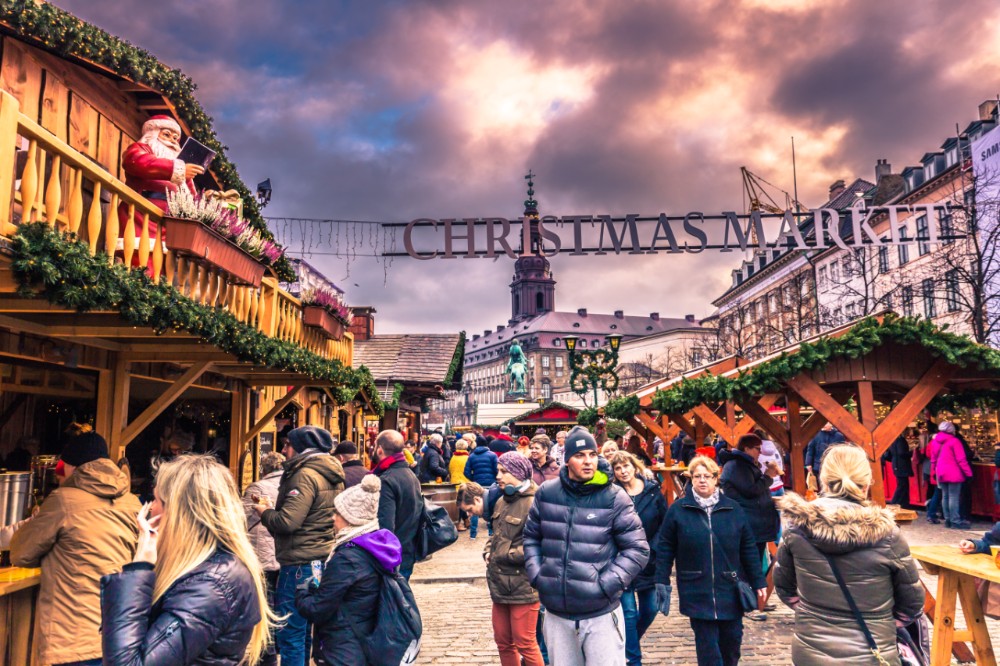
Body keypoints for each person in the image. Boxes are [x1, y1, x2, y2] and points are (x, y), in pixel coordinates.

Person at [101, 455, 276, 665]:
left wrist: (139, 568)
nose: (150, 508)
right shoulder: (199, 570)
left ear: (179, 512)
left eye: (156, 499)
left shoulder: (211, 585)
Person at [774, 445, 925, 665]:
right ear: (866, 485)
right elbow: (911, 604)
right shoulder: (887, 535)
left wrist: (810, 612)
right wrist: (887, 623)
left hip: (812, 647)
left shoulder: (797, 528)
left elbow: (784, 589)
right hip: (872, 648)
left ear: (824, 481)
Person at [9, 424, 141, 666]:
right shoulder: (131, 503)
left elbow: (20, 554)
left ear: (71, 466)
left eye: (60, 467)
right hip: (120, 633)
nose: (58, 473)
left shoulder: (63, 501)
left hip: (75, 639)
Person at [523, 425, 649, 665]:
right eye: (580, 455)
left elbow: (637, 548)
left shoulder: (613, 496)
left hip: (600, 613)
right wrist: (539, 575)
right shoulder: (547, 493)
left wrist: (605, 584)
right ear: (567, 459)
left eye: (592, 454)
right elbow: (531, 537)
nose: (588, 461)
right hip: (557, 612)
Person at [655, 455, 766, 666]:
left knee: (731, 644)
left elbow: (748, 547)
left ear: (716, 478)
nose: (702, 480)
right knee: (708, 649)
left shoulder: (733, 509)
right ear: (692, 479)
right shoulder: (678, 510)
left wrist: (758, 580)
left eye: (707, 476)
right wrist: (662, 579)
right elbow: (665, 547)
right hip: (696, 587)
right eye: (697, 476)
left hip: (730, 588)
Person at [254, 426, 344, 666]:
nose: (283, 450)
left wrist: (264, 512)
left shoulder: (303, 474)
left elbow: (288, 521)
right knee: (303, 630)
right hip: (319, 558)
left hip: (297, 562)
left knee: (290, 631)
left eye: (287, 445)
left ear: (302, 448)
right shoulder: (329, 471)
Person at [296, 475, 406, 665]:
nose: (333, 518)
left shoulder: (347, 559)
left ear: (350, 519)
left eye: (338, 513)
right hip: (365, 642)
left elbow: (318, 609)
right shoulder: (375, 548)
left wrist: (302, 593)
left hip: (343, 649)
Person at [484, 453, 545, 666]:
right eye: (498, 470)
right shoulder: (501, 500)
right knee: (503, 642)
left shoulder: (536, 502)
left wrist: (505, 554)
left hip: (523, 586)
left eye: (504, 471)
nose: (498, 475)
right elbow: (496, 534)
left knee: (525, 643)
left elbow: (541, 546)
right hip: (499, 585)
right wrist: (488, 550)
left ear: (519, 473)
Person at [610, 451, 666, 666]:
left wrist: (654, 549)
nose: (623, 471)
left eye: (626, 466)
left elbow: (664, 522)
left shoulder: (652, 491)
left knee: (650, 608)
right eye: (618, 468)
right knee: (629, 614)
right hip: (622, 560)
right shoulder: (613, 494)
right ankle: (634, 660)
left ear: (634, 466)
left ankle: (626, 644)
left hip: (649, 560)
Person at [119, 115, 205, 257]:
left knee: (164, 271)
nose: (171, 140)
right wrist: (176, 168)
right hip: (140, 217)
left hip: (169, 227)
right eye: (166, 134)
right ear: (153, 133)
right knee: (142, 262)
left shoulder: (182, 169)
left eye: (175, 138)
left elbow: (192, 198)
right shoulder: (141, 149)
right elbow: (135, 162)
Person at [719, 433, 780, 621]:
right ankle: (748, 604)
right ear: (746, 448)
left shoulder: (743, 464)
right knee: (747, 564)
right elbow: (751, 491)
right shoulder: (736, 465)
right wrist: (768, 476)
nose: (759, 453)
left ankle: (757, 599)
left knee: (755, 563)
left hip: (755, 522)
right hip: (746, 522)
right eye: (757, 449)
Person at [242, 451, 285, 666]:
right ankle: (275, 647)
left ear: (264, 469)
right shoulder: (290, 484)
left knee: (265, 606)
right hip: (283, 554)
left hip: (263, 557)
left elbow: (241, 519)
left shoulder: (256, 488)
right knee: (280, 603)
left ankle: (266, 653)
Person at [372, 429, 423, 579]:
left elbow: (385, 525)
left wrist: (382, 559)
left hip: (393, 556)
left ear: (380, 449)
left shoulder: (387, 479)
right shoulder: (409, 474)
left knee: (392, 600)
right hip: (406, 550)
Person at [929, 421, 973, 529]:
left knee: (945, 496)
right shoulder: (954, 441)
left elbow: (933, 459)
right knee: (954, 497)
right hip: (954, 472)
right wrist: (968, 473)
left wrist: (933, 472)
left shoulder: (936, 441)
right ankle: (955, 520)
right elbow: (961, 459)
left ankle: (947, 520)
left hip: (940, 471)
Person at [465, 435, 500, 540]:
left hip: (477, 484)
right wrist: (495, 479)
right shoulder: (492, 455)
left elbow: (466, 471)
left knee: (474, 508)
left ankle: (473, 534)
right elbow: (497, 469)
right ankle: (491, 532)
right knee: (491, 507)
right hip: (491, 485)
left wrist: (473, 479)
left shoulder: (471, 456)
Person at [882, 434, 914, 509]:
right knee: (902, 486)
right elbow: (902, 453)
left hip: (896, 465)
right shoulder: (900, 440)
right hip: (902, 465)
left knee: (902, 485)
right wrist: (912, 452)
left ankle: (904, 504)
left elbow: (888, 455)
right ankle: (894, 502)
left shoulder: (892, 441)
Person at [450, 439, 472, 531]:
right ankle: (459, 524)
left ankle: (465, 520)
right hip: (464, 482)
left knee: (459, 502)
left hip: (454, 481)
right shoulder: (467, 458)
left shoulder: (453, 457)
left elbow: (450, 470)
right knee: (462, 504)